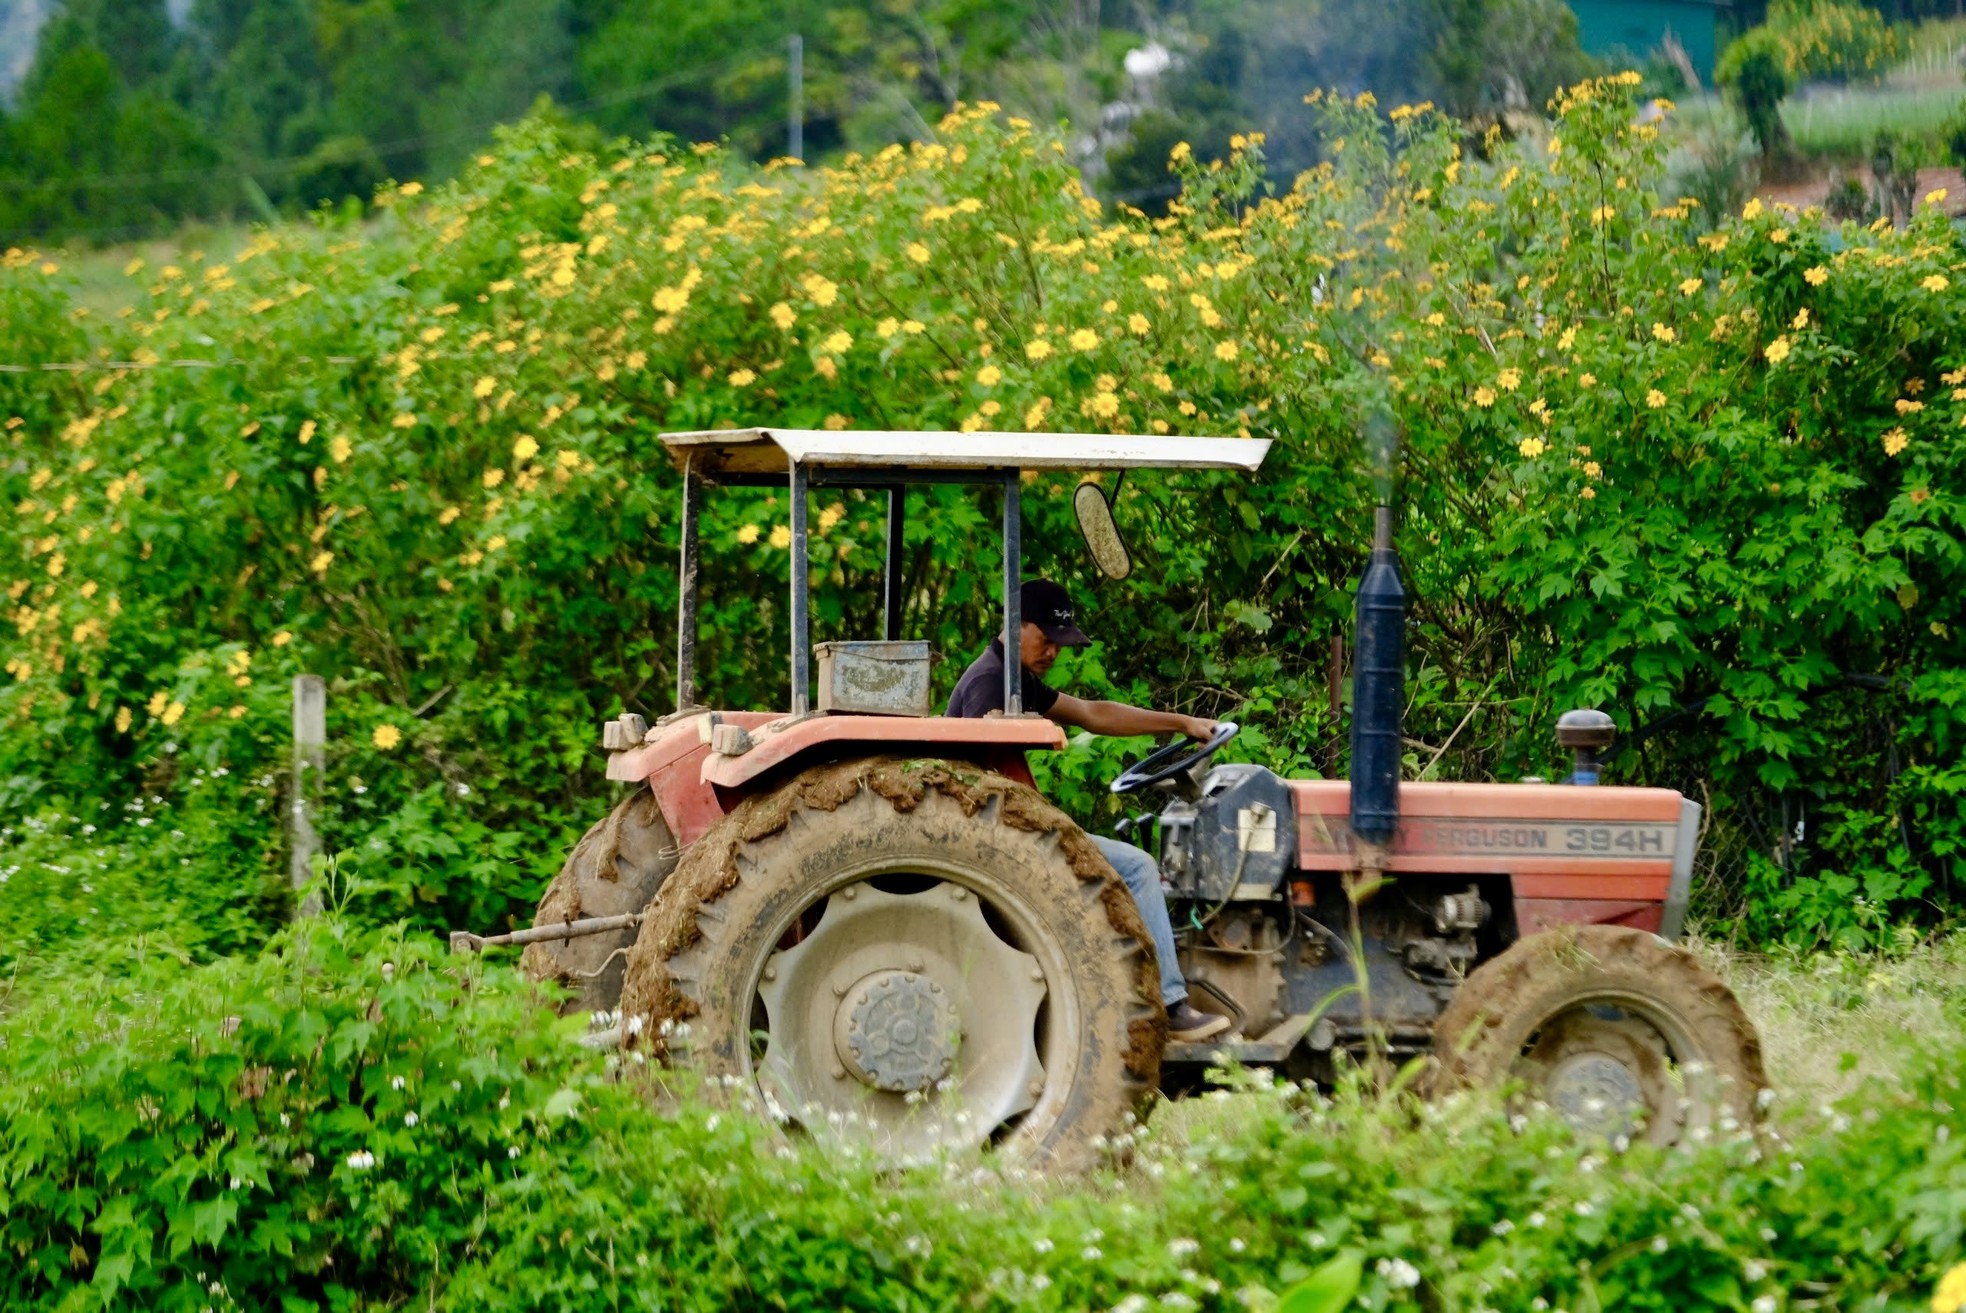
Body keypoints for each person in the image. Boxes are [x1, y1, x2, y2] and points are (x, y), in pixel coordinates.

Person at [945, 578, 1233, 1043]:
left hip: (1013, 830)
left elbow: (1094, 713)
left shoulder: (1013, 678)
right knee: (1137, 868)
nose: (1053, 653)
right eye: (1047, 640)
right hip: (1001, 839)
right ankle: (1173, 1005)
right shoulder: (989, 684)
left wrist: (1179, 722)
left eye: (1061, 646)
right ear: (1017, 626)